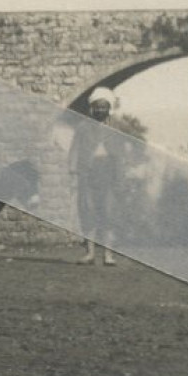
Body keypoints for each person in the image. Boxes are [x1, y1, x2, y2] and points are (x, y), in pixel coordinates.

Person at [71, 86, 121, 266]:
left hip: (108, 176)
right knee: (87, 212)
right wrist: (74, 174)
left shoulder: (116, 129)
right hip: (87, 174)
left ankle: (108, 255)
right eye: (97, 106)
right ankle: (90, 253)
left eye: (104, 106)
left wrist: (119, 178)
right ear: (92, 108)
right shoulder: (83, 127)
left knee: (109, 214)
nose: (100, 110)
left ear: (109, 108)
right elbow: (74, 151)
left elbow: (121, 156)